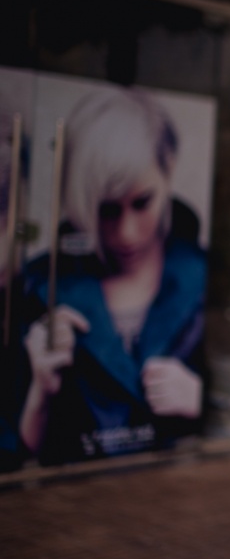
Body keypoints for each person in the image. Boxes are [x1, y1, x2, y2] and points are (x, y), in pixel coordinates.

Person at [13, 88, 207, 466]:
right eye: (106, 211)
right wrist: (40, 391)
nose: (127, 233)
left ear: (169, 167)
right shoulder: (39, 285)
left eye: (142, 202)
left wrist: (201, 398)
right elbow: (19, 462)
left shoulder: (204, 276)